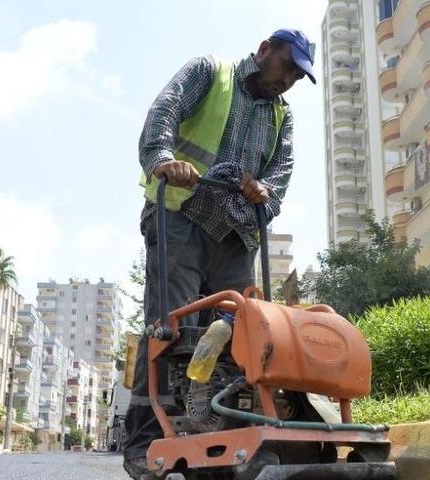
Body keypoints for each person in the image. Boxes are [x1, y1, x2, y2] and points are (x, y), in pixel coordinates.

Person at [122, 29, 316, 479]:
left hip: (235, 233)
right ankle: (145, 441)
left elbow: (280, 175)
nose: (288, 80)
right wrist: (163, 159)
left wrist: (262, 190)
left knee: (237, 336)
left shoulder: (282, 117)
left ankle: (216, 433)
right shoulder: (211, 73)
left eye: (297, 75)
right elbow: (164, 112)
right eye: (286, 67)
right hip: (181, 215)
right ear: (265, 50)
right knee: (170, 328)